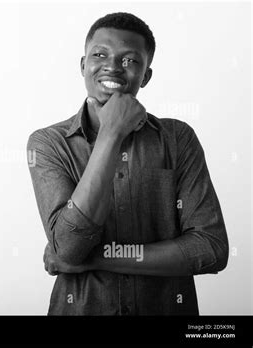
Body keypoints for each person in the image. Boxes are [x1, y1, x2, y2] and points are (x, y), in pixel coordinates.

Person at [26, 12, 229, 315]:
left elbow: (210, 249)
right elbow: (69, 247)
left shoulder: (177, 139)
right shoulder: (49, 143)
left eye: (130, 60)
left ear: (145, 75)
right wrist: (112, 132)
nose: (112, 66)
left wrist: (96, 258)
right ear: (83, 65)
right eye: (99, 54)